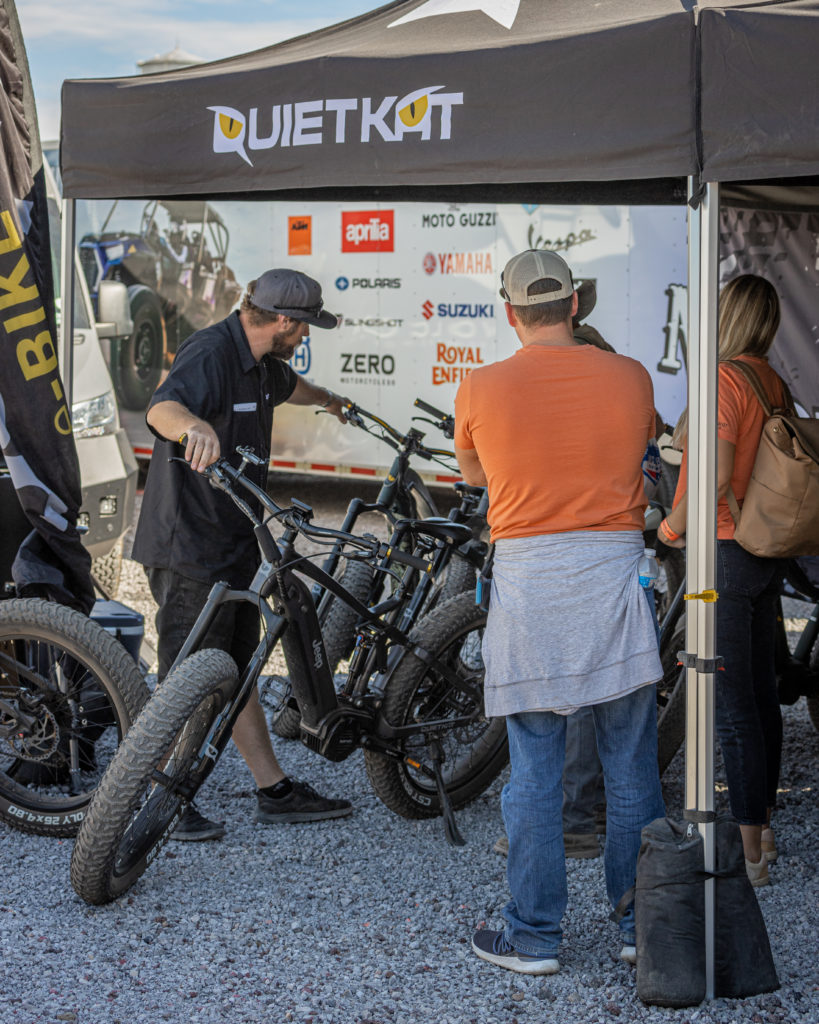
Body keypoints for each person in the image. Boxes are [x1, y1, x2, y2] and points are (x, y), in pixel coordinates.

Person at [455, 249, 665, 975]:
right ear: (577, 305)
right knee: (631, 768)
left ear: (509, 313)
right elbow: (650, 448)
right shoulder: (631, 376)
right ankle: (645, 927)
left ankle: (535, 937)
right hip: (612, 574)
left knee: (535, 770)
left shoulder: (479, 386)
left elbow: (478, 478)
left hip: (529, 581)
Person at [131, 268, 353, 840]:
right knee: (185, 676)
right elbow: (162, 410)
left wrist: (329, 400)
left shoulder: (263, 366)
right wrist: (194, 426)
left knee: (238, 669)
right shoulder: (212, 351)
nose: (306, 337)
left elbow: (289, 386)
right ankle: (160, 799)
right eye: (304, 328)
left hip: (234, 538)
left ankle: (272, 789)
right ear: (283, 321)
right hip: (188, 544)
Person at [659, 274, 787, 887]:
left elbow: (710, 475)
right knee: (762, 697)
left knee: (732, 707)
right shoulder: (771, 380)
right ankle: (762, 833)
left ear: (726, 317)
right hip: (763, 554)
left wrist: (670, 529)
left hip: (723, 554)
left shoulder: (725, 380)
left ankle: (746, 856)